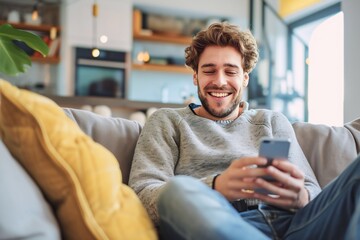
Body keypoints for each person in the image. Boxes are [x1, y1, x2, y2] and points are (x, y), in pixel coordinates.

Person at [129, 22, 360, 239]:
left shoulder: (271, 120)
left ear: (245, 78)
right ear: (195, 76)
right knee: (177, 191)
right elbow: (141, 195)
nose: (220, 81)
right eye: (209, 71)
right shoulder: (167, 120)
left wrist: (301, 197)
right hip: (209, 221)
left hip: (286, 223)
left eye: (231, 72)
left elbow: (313, 192)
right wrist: (216, 187)